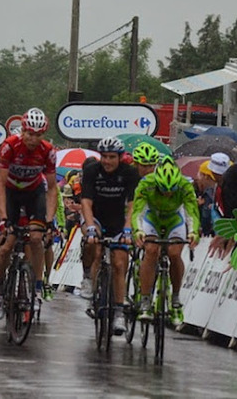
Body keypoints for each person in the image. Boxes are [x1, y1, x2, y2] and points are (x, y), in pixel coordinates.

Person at [0, 107, 57, 320]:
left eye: (38, 135)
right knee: (6, 246)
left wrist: (48, 220)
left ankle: (36, 288)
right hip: (10, 192)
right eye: (29, 134)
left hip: (33, 192)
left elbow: (52, 189)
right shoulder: (10, 146)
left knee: (37, 239)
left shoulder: (48, 151)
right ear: (23, 131)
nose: (33, 139)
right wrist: (1, 218)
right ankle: (0, 290)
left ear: (43, 135)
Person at [80, 136, 139, 335]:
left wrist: (128, 229)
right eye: (104, 156)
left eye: (112, 157)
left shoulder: (130, 173)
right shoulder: (91, 171)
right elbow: (86, 202)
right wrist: (89, 227)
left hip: (118, 220)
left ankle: (119, 312)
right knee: (93, 245)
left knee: (120, 263)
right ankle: (89, 277)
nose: (107, 161)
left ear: (120, 157)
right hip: (95, 216)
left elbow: (132, 206)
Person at [132, 157, 199, 326]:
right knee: (151, 251)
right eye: (163, 190)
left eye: (171, 190)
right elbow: (137, 211)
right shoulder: (146, 183)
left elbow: (192, 212)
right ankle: (146, 300)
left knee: (175, 253)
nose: (168, 193)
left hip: (174, 219)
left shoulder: (185, 185)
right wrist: (138, 230)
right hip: (152, 218)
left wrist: (192, 233)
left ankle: (175, 298)